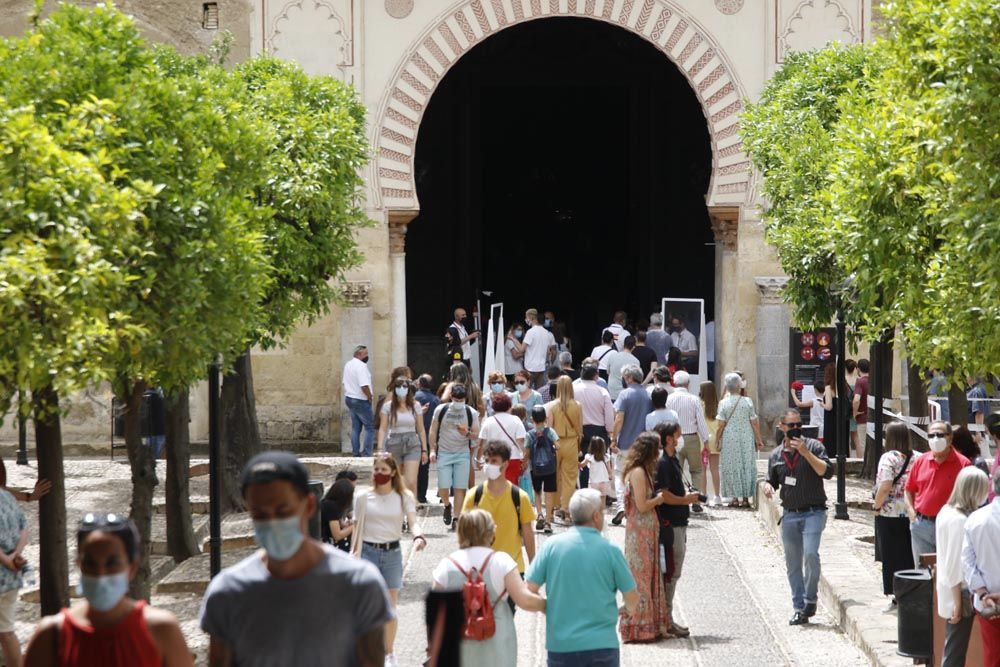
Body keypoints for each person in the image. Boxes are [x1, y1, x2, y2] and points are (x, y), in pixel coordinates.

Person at [199, 452, 391, 666]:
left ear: (309, 505)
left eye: (283, 510)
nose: (272, 522)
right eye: (260, 514)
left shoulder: (359, 584)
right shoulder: (228, 592)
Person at [24, 513, 191, 667]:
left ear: (132, 568)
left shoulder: (162, 630)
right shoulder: (51, 636)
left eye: (112, 563)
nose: (100, 574)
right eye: (90, 563)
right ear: (79, 566)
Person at [526, 488, 638, 667]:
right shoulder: (611, 551)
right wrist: (625, 609)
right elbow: (632, 596)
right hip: (601, 646)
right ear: (595, 517)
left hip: (561, 647)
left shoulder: (551, 547)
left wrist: (546, 606)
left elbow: (528, 592)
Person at [431, 510, 546, 667]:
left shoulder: (447, 565)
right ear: (490, 532)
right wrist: (546, 605)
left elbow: (435, 614)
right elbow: (524, 600)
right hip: (497, 640)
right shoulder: (501, 561)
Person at [351, 454, 426, 665]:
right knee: (368, 606)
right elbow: (357, 528)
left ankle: (389, 652)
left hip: (392, 553)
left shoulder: (404, 497)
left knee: (390, 608)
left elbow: (413, 522)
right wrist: (353, 553)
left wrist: (418, 535)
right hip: (367, 552)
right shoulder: (363, 497)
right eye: (376, 469)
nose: (379, 474)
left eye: (384, 470)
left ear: (393, 472)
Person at [764, 409, 834, 625]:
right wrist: (767, 486)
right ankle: (799, 607)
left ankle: (810, 599)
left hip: (814, 511)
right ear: (782, 427)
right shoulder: (776, 455)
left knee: (811, 555)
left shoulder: (813, 446)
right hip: (791, 515)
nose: (795, 429)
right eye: (791, 425)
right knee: (793, 563)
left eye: (798, 425)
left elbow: (827, 472)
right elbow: (772, 480)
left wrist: (805, 454)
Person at [617, 432, 671, 642]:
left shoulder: (643, 471)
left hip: (647, 531)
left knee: (647, 577)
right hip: (639, 533)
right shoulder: (638, 472)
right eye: (657, 449)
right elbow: (641, 505)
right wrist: (658, 499)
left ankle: (649, 625)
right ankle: (638, 626)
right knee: (640, 578)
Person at [936, 467, 989, 667]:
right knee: (955, 651)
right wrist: (958, 604)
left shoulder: (946, 511)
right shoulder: (959, 520)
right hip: (960, 592)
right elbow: (955, 565)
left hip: (951, 589)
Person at [652, 422, 702, 637]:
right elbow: (664, 494)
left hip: (678, 523)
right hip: (670, 524)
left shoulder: (672, 461)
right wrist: (685, 500)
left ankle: (666, 617)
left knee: (673, 572)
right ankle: (666, 619)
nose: (680, 437)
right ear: (669, 438)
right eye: (678, 435)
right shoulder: (663, 463)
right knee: (670, 573)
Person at [463, 441, 536, 576]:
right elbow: (465, 535)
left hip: (513, 569)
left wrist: (534, 569)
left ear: (506, 464)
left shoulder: (520, 497)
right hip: (482, 570)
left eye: (494, 461)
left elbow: (528, 534)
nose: (489, 464)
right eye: (487, 460)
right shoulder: (473, 496)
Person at [904, 421, 970, 567]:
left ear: (950, 438)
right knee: (923, 572)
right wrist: (912, 514)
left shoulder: (963, 464)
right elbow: (908, 489)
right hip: (922, 525)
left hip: (950, 526)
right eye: (931, 435)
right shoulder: (920, 461)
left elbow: (969, 497)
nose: (935, 438)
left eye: (940, 434)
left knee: (949, 570)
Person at [872, 422, 915, 612]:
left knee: (892, 556)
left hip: (890, 513)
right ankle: (913, 593)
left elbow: (885, 485)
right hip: (912, 512)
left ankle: (898, 597)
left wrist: (876, 505)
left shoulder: (888, 458)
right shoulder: (919, 457)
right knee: (908, 555)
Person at [962, 469, 1000, 665]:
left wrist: (984, 593)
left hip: (988, 604)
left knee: (992, 657)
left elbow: (967, 563)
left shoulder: (975, 520)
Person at [429, 383, 480, 529]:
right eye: (456, 399)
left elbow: (477, 436)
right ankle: (446, 505)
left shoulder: (471, 413)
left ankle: (456, 518)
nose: (458, 402)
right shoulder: (441, 409)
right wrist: (432, 449)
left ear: (466, 398)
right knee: (443, 486)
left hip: (462, 453)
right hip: (444, 452)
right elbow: (433, 430)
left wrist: (467, 433)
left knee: (460, 487)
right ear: (451, 397)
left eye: (461, 400)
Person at [610, 365, 653, 525]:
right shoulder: (648, 395)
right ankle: (637, 505)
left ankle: (621, 506)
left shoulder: (624, 394)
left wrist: (613, 439)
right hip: (643, 444)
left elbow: (619, 418)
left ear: (628, 378)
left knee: (620, 474)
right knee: (640, 476)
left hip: (626, 443)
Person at [717, 372, 765, 508]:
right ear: (739, 386)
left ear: (727, 387)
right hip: (745, 437)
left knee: (731, 464)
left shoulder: (723, 403)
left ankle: (733, 499)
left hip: (729, 438)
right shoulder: (747, 401)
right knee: (746, 464)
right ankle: (745, 498)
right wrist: (759, 439)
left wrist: (717, 439)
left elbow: (720, 425)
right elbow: (754, 423)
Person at [666, 371, 711, 512]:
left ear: (674, 383)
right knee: (696, 470)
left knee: (676, 471)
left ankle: (679, 499)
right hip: (692, 437)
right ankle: (696, 501)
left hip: (674, 438)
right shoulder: (694, 399)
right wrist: (706, 441)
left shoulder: (669, 399)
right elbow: (701, 422)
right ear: (688, 383)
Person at [376, 377, 428, 499]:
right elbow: (383, 428)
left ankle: (411, 509)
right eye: (398, 386)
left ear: (409, 389)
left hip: (412, 443)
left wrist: (425, 449)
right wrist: (379, 449)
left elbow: (420, 429)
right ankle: (398, 508)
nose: (401, 389)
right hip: (394, 443)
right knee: (396, 480)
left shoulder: (416, 406)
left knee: (411, 481)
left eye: (404, 386)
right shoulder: (388, 406)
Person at [573, 361, 616, 492]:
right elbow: (609, 413)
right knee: (601, 461)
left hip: (580, 429)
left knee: (584, 461)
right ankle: (602, 491)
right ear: (596, 376)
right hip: (599, 429)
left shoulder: (574, 390)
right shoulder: (602, 391)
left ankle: (584, 489)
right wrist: (610, 431)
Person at [546, 376, 583, 521]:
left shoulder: (552, 406)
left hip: (556, 443)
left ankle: (555, 506)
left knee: (555, 475)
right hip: (572, 442)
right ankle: (566, 506)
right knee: (570, 476)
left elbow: (549, 428)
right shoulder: (577, 405)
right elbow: (580, 428)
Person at [0, 486, 27, 667]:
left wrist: (5, 560)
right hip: (11, 578)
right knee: (7, 633)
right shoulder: (7, 497)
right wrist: (15, 555)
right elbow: (24, 530)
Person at [478, 393, 527, 485]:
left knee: (494, 485)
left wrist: (479, 459)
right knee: (512, 487)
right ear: (509, 406)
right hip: (513, 458)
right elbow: (521, 442)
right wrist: (525, 458)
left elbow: (482, 444)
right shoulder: (516, 420)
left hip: (493, 459)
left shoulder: (488, 421)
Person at [525, 406, 560, 534]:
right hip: (550, 468)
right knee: (549, 493)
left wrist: (524, 462)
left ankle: (539, 514)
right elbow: (558, 446)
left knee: (537, 491)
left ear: (532, 419)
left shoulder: (529, 434)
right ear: (545, 418)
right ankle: (548, 521)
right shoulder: (550, 431)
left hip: (535, 469)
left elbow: (527, 452)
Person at [343, 345, 375, 457]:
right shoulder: (361, 366)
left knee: (356, 427)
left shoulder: (348, 364)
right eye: (365, 354)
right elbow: (364, 386)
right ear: (359, 354)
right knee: (370, 427)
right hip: (360, 399)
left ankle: (355, 453)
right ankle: (366, 453)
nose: (367, 356)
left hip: (349, 398)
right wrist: (370, 397)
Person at [414, 374, 440, 504]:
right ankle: (422, 495)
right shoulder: (435, 400)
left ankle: (414, 495)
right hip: (428, 437)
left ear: (419, 383)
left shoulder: (413, 398)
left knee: (412, 467)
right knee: (424, 468)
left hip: (413, 436)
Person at [699, 381, 722, 505]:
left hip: (703, 440)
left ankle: (704, 496)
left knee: (702, 469)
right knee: (715, 469)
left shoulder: (700, 405)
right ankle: (717, 496)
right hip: (715, 439)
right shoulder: (718, 406)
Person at [523, 309, 556, 388]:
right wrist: (550, 362)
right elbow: (553, 351)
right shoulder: (547, 333)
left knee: (528, 389)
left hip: (530, 367)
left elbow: (522, 349)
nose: (526, 320)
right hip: (542, 367)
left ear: (532, 318)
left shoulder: (530, 332)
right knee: (539, 390)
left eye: (527, 317)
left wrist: (512, 339)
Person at [321, 478, 356, 552]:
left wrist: (346, 525)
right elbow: (337, 535)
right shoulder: (331, 506)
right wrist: (354, 526)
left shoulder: (328, 502)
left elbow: (340, 524)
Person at [606, 335, 640, 401]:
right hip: (626, 395)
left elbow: (608, 372)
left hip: (611, 393)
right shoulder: (635, 361)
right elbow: (635, 380)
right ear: (633, 347)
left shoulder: (612, 356)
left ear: (624, 344)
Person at [581, 436, 613, 501]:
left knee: (593, 501)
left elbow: (582, 465)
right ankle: (602, 511)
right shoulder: (606, 457)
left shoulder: (589, 457)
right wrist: (610, 476)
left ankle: (595, 511)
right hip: (604, 481)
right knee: (603, 501)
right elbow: (609, 470)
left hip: (593, 483)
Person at [851, 359, 870, 459]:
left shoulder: (860, 382)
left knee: (863, 443)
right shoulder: (874, 381)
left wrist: (855, 413)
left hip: (862, 417)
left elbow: (856, 399)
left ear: (858, 369)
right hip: (874, 418)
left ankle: (864, 466)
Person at [967, 376, 989, 446]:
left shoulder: (976, 391)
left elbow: (979, 412)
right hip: (977, 431)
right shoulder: (980, 388)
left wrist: (978, 432)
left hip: (976, 434)